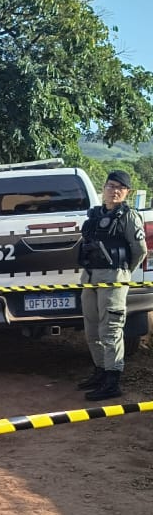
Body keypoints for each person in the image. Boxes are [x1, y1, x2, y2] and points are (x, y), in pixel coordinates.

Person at [77, 169, 146, 401]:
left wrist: (124, 272)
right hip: (90, 278)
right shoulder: (95, 215)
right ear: (103, 188)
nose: (114, 191)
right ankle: (100, 371)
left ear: (127, 193)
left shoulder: (129, 216)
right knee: (92, 329)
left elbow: (139, 250)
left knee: (111, 330)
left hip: (114, 278)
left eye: (120, 188)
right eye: (111, 186)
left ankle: (112, 380)